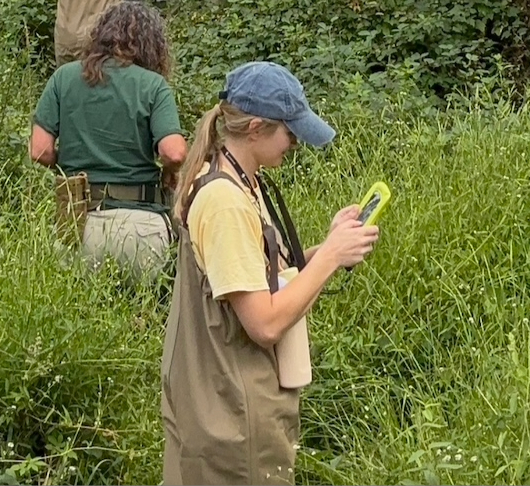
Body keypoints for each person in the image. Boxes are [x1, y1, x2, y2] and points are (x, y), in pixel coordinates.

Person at [160, 61, 380, 485]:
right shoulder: (225, 202)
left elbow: (264, 271)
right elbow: (264, 322)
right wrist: (330, 258)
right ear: (257, 127)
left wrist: (329, 247)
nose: (294, 143)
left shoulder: (238, 178)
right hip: (230, 411)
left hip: (227, 399)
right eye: (290, 132)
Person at [30, 2, 188, 281]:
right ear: (152, 46)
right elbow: (174, 152)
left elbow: (40, 150)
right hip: (142, 229)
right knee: (147, 317)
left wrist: (67, 164)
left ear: (99, 35)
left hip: (78, 225)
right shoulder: (153, 85)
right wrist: (169, 173)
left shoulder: (64, 77)